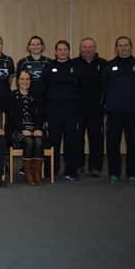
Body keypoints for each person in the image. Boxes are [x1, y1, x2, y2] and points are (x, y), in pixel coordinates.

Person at [104, 36, 135, 183]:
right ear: (116, 48)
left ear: (131, 47)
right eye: (120, 45)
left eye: (126, 45)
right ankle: (114, 173)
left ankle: (132, 174)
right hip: (113, 112)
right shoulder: (109, 66)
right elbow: (105, 88)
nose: (123, 48)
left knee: (133, 143)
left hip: (133, 112)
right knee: (112, 143)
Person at [42, 40, 82, 181]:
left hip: (71, 111)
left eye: (65, 49)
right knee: (53, 142)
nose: (62, 52)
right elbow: (43, 89)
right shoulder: (49, 67)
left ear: (69, 51)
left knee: (71, 142)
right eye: (60, 49)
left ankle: (71, 171)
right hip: (53, 111)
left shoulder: (76, 67)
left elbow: (81, 89)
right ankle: (51, 171)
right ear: (55, 51)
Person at [73, 37, 107, 177]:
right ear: (80, 49)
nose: (87, 50)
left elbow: (108, 87)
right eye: (85, 47)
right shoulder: (73, 64)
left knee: (96, 139)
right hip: (77, 109)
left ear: (95, 48)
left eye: (90, 47)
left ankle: (95, 167)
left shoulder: (104, 64)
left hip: (96, 109)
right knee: (77, 138)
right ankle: (78, 165)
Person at [7, 70, 45, 186]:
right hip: (17, 130)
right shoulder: (12, 96)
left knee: (38, 141)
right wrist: (22, 129)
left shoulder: (36, 96)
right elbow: (12, 117)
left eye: (27, 79)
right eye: (22, 79)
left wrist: (38, 128)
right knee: (28, 141)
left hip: (35, 129)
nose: (25, 81)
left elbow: (41, 115)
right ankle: (28, 173)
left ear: (31, 81)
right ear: (18, 81)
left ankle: (36, 172)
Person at [16, 36, 51, 101]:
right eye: (33, 45)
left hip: (45, 96)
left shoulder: (49, 62)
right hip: (28, 96)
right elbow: (18, 81)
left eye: (38, 44)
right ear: (29, 47)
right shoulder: (22, 62)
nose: (35, 47)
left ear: (42, 46)